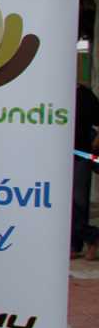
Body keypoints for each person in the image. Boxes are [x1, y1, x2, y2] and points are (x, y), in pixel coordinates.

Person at [72, 83, 99, 260]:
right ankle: (77, 243)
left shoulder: (84, 95)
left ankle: (90, 237)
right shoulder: (51, 91)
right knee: (64, 202)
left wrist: (96, 142)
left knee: (78, 202)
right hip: (54, 158)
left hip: (81, 154)